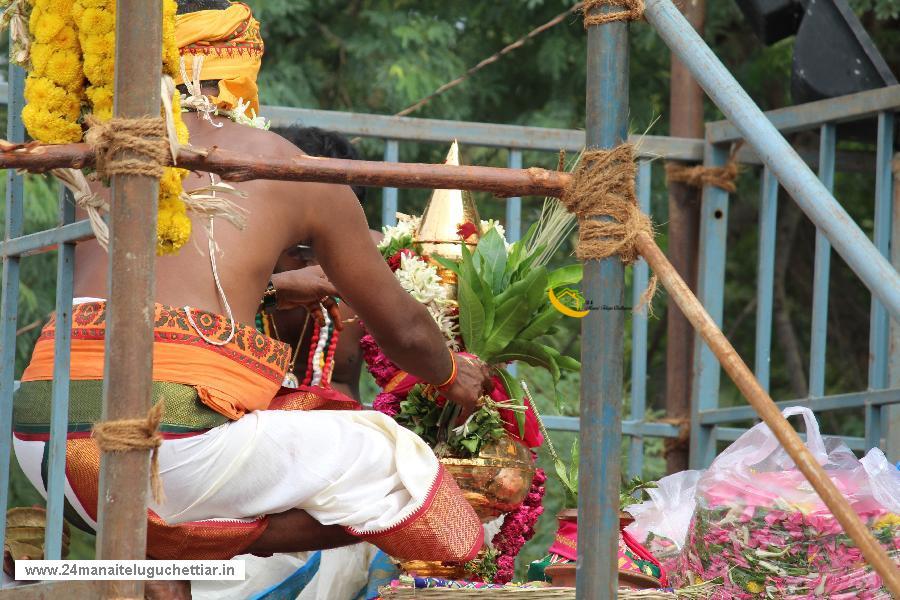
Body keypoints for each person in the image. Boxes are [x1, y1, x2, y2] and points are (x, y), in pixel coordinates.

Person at [12, 0, 489, 576]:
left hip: (42, 435)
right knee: (392, 459)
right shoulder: (292, 170)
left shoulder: (104, 150)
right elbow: (409, 333)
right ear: (245, 66)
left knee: (306, 412)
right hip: (165, 446)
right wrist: (447, 372)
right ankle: (199, 544)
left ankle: (179, 551)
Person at [263, 125, 379, 402]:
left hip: (343, 436)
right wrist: (271, 290)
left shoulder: (377, 259)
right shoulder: (236, 257)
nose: (304, 257)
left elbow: (413, 340)